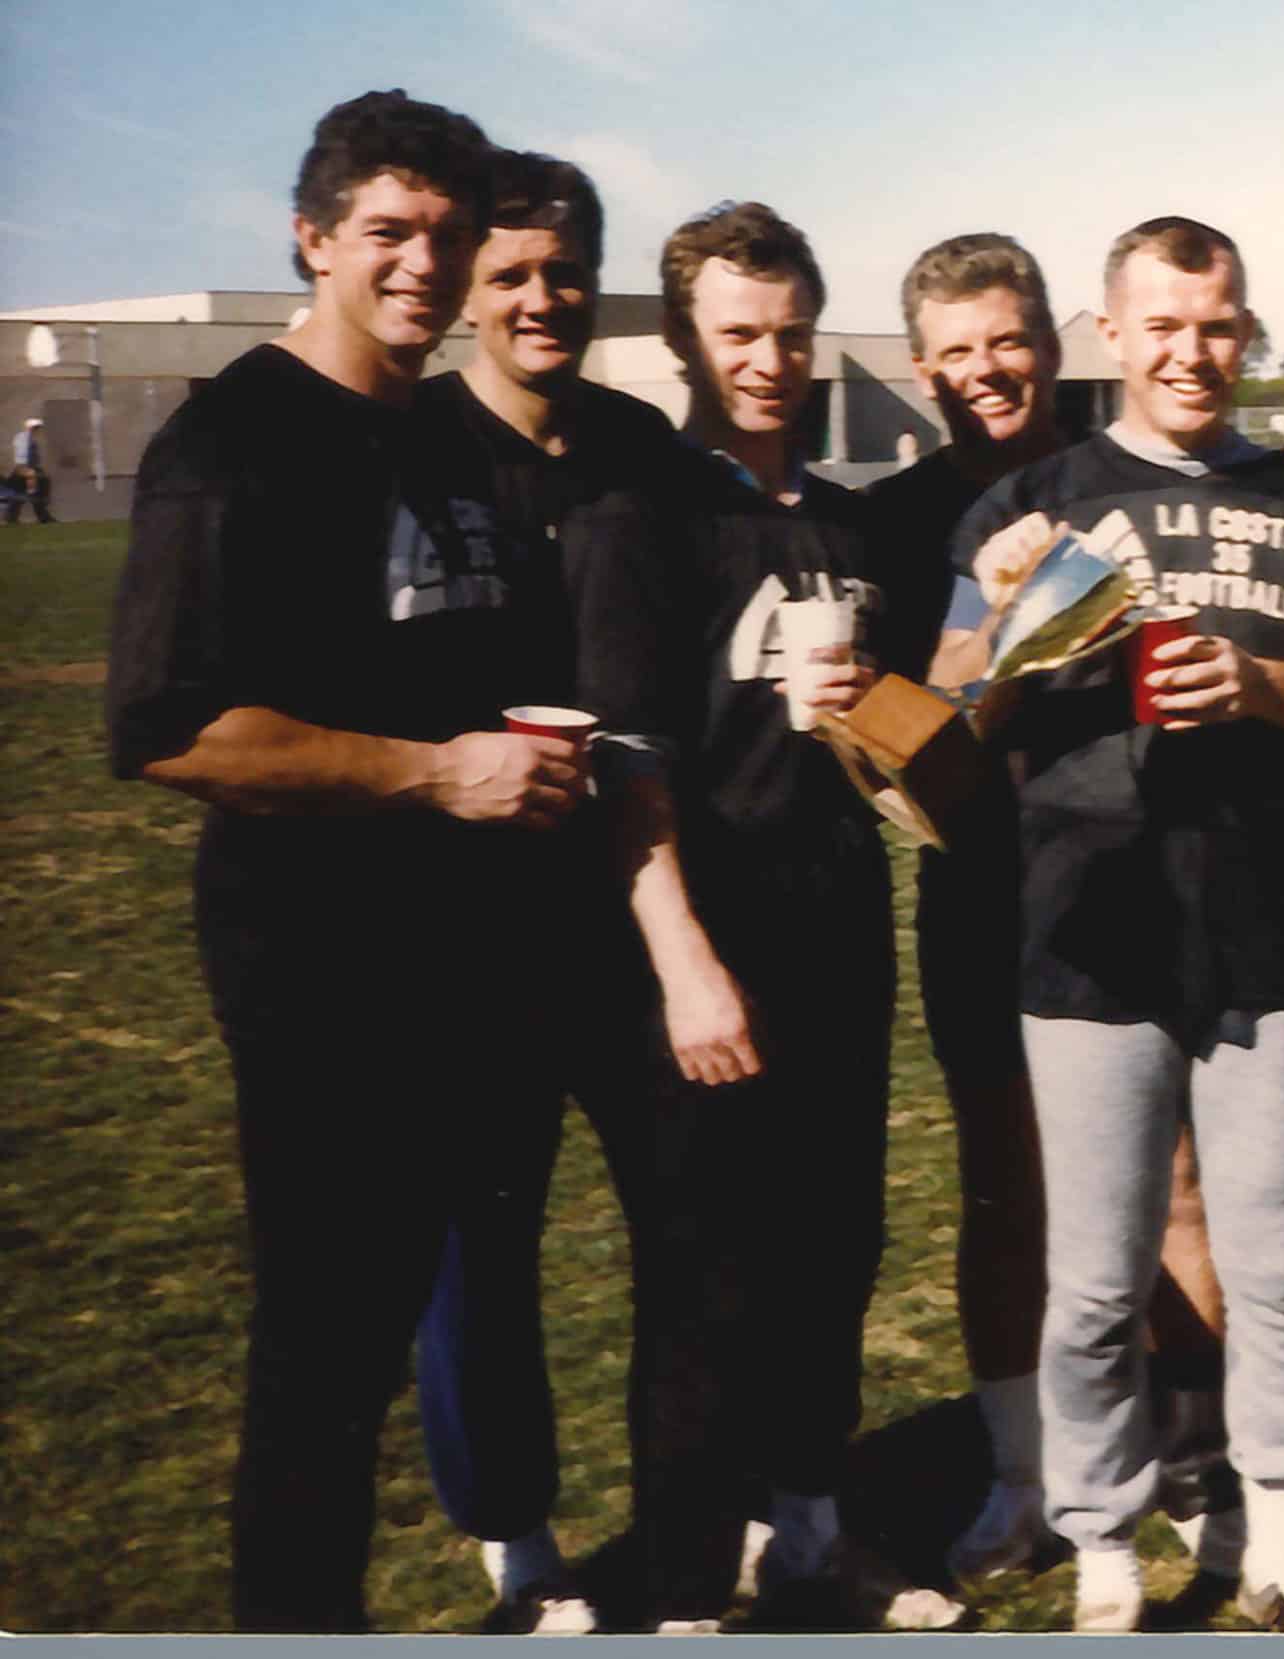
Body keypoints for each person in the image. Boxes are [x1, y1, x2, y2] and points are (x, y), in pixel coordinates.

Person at [102, 90, 548, 1633]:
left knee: (417, 1310)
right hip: (320, 969)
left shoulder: (444, 432)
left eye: (449, 233)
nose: (424, 262)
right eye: (389, 231)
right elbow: (167, 726)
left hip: (464, 956)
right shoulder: (232, 440)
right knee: (326, 1355)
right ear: (312, 238)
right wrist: (433, 771)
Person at [953, 215, 1284, 1632]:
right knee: (1095, 1274)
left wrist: (1264, 685)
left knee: (1278, 1256)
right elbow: (949, 706)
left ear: (1246, 330)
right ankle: (1101, 1544)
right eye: (1162, 324)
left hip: (1258, 931)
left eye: (1215, 324)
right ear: (1112, 332)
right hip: (1085, 932)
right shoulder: (1036, 500)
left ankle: (1280, 1536)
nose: (1190, 351)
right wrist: (1009, 616)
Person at [567, 200, 958, 1633]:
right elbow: (627, 763)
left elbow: (909, 735)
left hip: (834, 925)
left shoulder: (852, 521)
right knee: (701, 1275)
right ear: (686, 339)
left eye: (791, 333)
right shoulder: (643, 515)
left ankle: (810, 1532)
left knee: (831, 1249)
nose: (769, 361)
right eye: (739, 333)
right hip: (701, 940)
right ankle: (684, 1587)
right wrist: (685, 965)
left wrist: (887, 714)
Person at [870, 232, 1242, 1585]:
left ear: (1053, 340)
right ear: (922, 369)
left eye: (1007, 341)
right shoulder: (891, 520)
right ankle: (1023, 1473)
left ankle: (1195, 1459)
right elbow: (906, 727)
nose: (986, 371)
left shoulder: (1118, 478)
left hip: (1126, 876)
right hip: (980, 887)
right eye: (956, 352)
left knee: (1174, 1182)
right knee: (1006, 1186)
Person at [392, 148, 679, 1635]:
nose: (539, 298)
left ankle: (705, 1501)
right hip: (468, 926)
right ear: (464, 291)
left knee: (691, 1226)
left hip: (636, 909)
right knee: (479, 1247)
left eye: (564, 272)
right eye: (508, 273)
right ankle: (513, 1531)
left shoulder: (641, 446)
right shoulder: (404, 448)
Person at [9, 417, 54, 523]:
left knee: (26, 494)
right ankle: (43, 517)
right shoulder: (24, 439)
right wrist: (27, 471)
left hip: (29, 469)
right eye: (36, 428)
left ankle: (43, 517)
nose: (38, 430)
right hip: (25, 469)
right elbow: (22, 457)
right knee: (24, 494)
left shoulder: (29, 439)